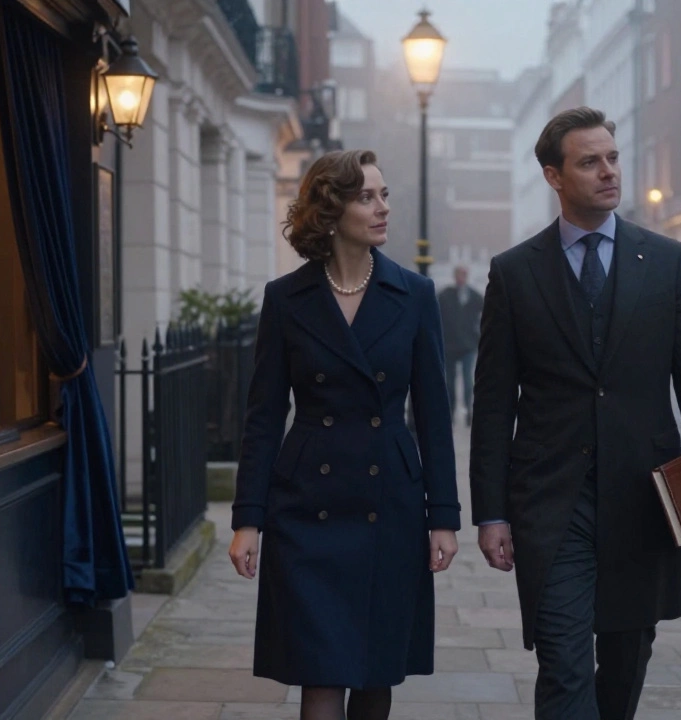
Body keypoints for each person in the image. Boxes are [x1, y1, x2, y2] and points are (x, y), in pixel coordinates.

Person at [469, 107, 681, 720]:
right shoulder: (514, 273)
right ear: (553, 176)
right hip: (552, 502)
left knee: (625, 660)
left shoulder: (667, 260)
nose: (608, 171)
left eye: (612, 157)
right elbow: (492, 403)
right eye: (589, 162)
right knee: (563, 661)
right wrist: (491, 513)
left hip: (643, 499)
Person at [228, 149, 461, 720]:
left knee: (376, 671)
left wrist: (444, 517)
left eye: (384, 195)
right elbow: (261, 416)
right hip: (307, 504)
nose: (383, 208)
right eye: (367, 197)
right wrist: (247, 518)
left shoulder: (414, 295)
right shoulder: (286, 299)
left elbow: (433, 415)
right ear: (331, 211)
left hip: (391, 503)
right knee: (320, 670)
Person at [437, 265, 483, 425]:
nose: (461, 278)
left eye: (464, 274)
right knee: (450, 381)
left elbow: (486, 313)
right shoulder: (444, 295)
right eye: (459, 274)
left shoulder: (475, 296)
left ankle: (468, 411)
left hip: (468, 345)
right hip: (449, 345)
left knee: (467, 380)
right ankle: (451, 411)